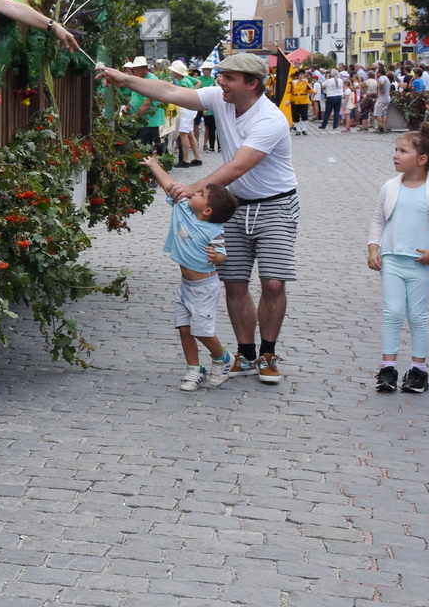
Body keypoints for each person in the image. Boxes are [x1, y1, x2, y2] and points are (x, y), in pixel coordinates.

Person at [98, 50, 298, 384]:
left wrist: (192, 188)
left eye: (229, 78)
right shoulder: (222, 100)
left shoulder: (270, 119)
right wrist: (126, 78)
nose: (220, 82)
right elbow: (171, 92)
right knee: (233, 282)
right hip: (232, 205)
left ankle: (268, 354)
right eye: (221, 76)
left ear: (252, 83)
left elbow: (237, 167)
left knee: (274, 282)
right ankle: (246, 355)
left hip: (275, 204)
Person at [366, 128, 429, 394]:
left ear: (422, 159)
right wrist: (374, 248)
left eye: (403, 151)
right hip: (392, 260)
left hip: (421, 262)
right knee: (393, 312)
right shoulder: (389, 186)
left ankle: (418, 370)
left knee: (417, 316)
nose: (396, 155)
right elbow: (378, 220)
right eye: (396, 150)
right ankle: (388, 367)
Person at [142, 156, 237, 391]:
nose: (192, 194)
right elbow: (169, 185)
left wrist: (218, 257)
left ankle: (223, 358)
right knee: (184, 329)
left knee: (202, 331)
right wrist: (154, 165)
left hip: (204, 287)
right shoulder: (182, 208)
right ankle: (194, 371)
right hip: (186, 286)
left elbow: (223, 254)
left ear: (207, 210)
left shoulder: (214, 230)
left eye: (199, 195)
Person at [169, 60, 201, 166]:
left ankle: (185, 160)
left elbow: (182, 96)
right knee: (190, 134)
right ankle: (197, 158)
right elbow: (198, 83)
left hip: (186, 110)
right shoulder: (186, 79)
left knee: (183, 134)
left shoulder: (183, 82)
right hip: (190, 109)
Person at [319, 66, 345, 130]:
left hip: (331, 96)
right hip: (339, 96)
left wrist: (327, 78)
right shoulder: (340, 80)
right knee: (336, 112)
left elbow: (322, 85)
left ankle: (324, 125)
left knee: (328, 112)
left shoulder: (329, 81)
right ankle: (335, 125)